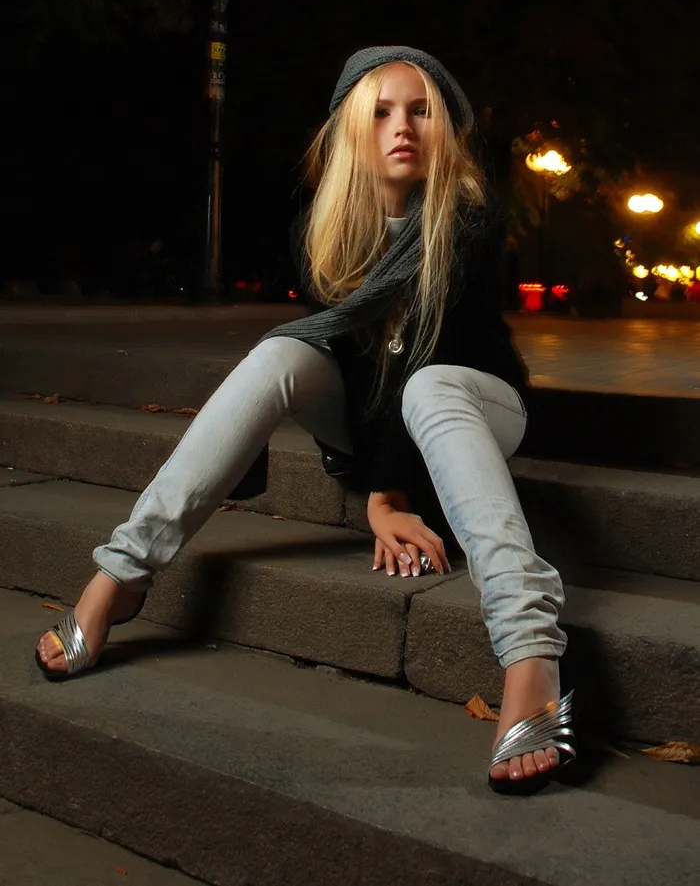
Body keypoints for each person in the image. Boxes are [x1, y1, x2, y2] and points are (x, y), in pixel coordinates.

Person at [35, 45, 577, 796]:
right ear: (352, 128)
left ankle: (530, 648)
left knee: (427, 387)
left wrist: (386, 495)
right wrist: (383, 486)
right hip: (375, 413)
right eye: (381, 112)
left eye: (421, 111)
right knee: (280, 353)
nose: (402, 127)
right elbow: (354, 360)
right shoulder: (322, 230)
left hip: (472, 403)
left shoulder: (469, 222)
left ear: (445, 130)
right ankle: (121, 572)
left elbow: (426, 355)